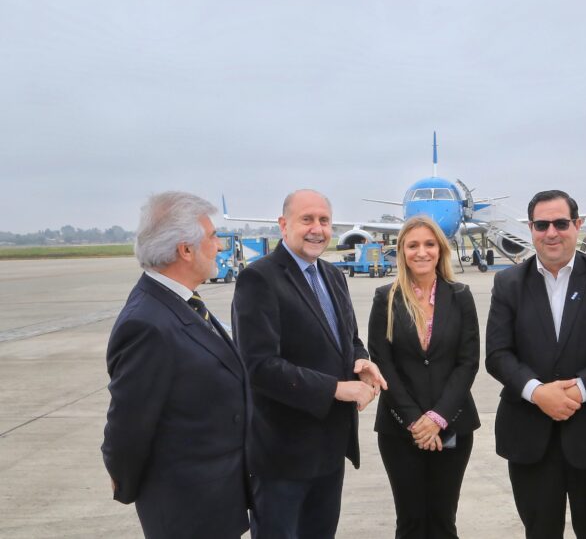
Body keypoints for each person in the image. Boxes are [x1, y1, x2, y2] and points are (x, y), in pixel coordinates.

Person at [486, 189, 586, 539]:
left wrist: (579, 390)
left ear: (578, 225)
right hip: (530, 437)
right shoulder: (508, 283)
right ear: (530, 228)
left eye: (560, 223)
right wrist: (537, 392)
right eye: (542, 225)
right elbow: (497, 354)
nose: (551, 232)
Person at [232, 189, 388, 539]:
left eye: (324, 220)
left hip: (329, 448)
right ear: (283, 225)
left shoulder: (333, 276)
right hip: (283, 454)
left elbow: (348, 340)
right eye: (307, 220)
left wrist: (361, 362)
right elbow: (258, 366)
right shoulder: (259, 279)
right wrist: (335, 388)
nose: (317, 228)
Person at [101, 192, 251, 538]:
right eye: (213, 237)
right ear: (185, 250)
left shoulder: (180, 302)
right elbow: (128, 425)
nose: (219, 247)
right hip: (186, 508)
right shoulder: (147, 323)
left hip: (213, 499)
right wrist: (126, 484)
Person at [368, 216, 480, 538]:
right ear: (402, 251)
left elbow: (468, 362)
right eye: (412, 245)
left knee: (443, 520)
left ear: (440, 249)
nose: (421, 252)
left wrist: (438, 418)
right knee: (411, 522)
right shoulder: (385, 297)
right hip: (400, 429)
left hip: (452, 425)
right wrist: (416, 421)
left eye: (429, 244)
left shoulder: (460, 296)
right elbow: (383, 363)